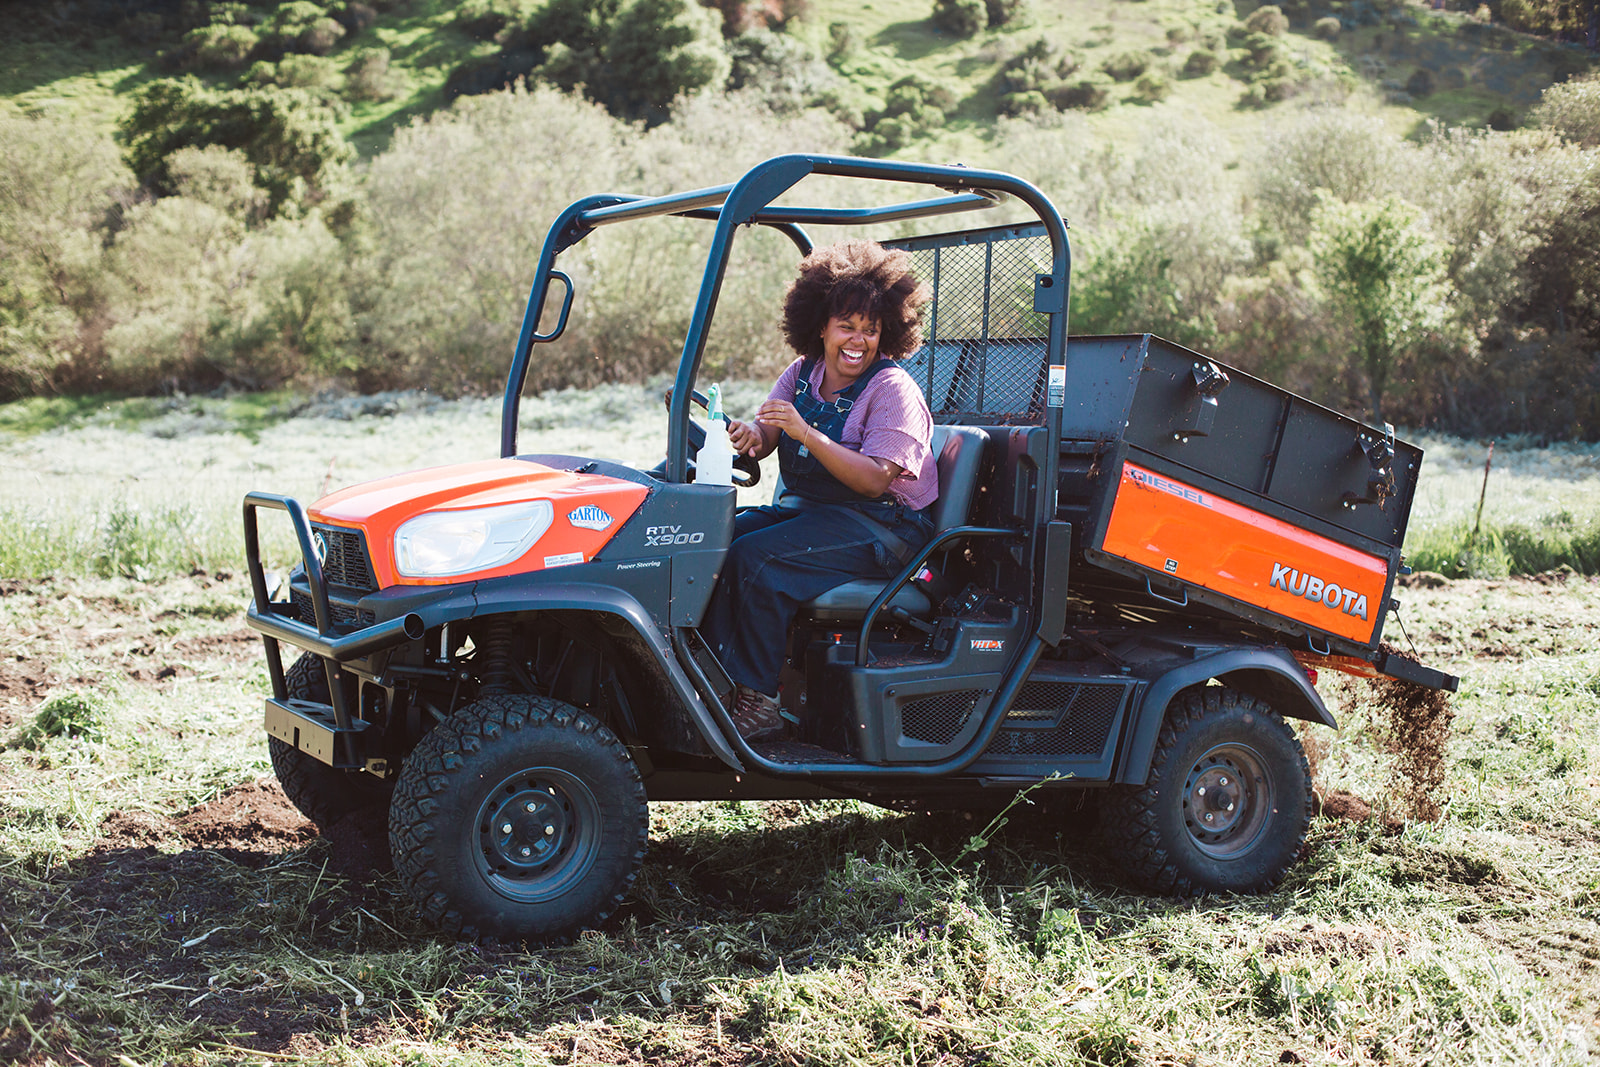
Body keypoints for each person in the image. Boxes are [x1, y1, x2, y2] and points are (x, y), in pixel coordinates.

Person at [700, 239, 937, 741]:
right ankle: (709, 685)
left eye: (870, 330)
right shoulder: (802, 373)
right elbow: (766, 436)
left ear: (887, 332)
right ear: (821, 326)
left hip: (884, 527)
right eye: (846, 326)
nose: (858, 340)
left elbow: (876, 478)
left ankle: (757, 701)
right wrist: (750, 435)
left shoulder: (894, 390)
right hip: (816, 512)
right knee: (715, 542)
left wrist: (806, 432)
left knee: (759, 560)